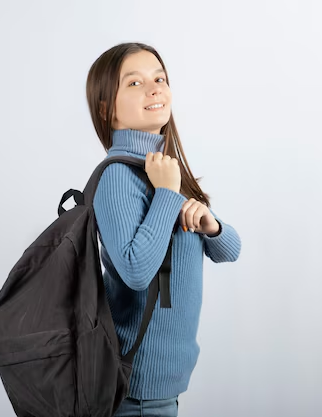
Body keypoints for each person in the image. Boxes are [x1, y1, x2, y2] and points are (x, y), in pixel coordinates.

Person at [87, 42, 242, 417]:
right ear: (107, 110)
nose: (154, 88)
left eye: (159, 78)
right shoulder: (118, 178)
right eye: (135, 83)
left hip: (161, 389)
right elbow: (137, 271)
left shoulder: (165, 169)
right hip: (134, 392)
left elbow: (231, 250)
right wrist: (168, 193)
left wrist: (211, 225)